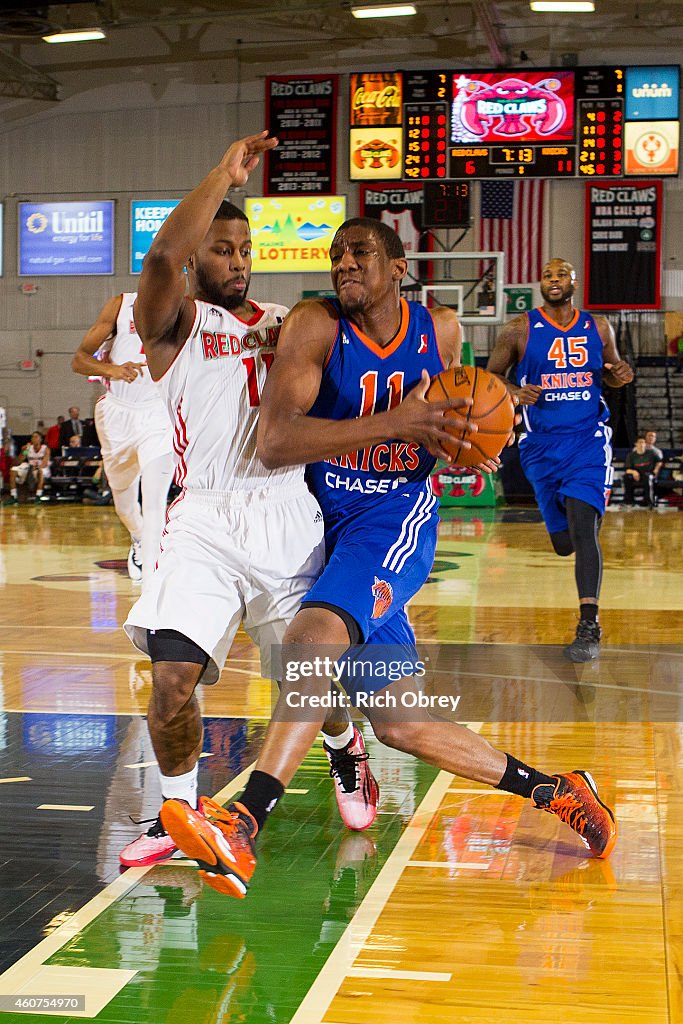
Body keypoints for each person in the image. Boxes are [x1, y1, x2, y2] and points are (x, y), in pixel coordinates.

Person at [159, 219, 618, 901]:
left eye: (361, 253)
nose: (345, 263)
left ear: (398, 266)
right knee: (402, 723)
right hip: (316, 522)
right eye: (337, 254)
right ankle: (558, 789)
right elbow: (277, 439)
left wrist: (469, 439)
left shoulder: (441, 331)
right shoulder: (316, 325)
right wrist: (398, 423)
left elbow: (451, 424)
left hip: (389, 520)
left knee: (308, 644)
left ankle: (243, 821)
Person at [119, 132, 378, 869]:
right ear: (200, 254)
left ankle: (342, 743)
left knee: (306, 682)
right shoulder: (172, 325)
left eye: (244, 249)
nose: (238, 261)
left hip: (285, 510)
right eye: (223, 248)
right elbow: (163, 260)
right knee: (171, 683)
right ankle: (180, 813)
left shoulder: (289, 320)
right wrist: (221, 176)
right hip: (202, 517)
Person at [486, 258, 633, 662]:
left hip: (587, 441)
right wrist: (514, 389)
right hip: (540, 448)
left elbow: (614, 371)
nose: (554, 280)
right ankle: (580, 511)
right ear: (540, 283)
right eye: (548, 275)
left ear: (574, 281)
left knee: (584, 529)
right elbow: (491, 375)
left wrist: (621, 373)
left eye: (561, 274)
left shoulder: (599, 327)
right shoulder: (519, 328)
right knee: (564, 543)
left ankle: (589, 624)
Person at [72, 293, 175, 584]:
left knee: (155, 498)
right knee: (125, 506)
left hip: (157, 413)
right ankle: (139, 538)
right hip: (118, 414)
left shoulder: (184, 306)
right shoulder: (121, 305)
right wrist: (112, 370)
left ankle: (155, 583)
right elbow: (79, 360)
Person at [10, 431, 50, 500]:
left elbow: (45, 463)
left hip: (41, 468)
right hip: (30, 468)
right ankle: (13, 496)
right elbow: (19, 461)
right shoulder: (28, 448)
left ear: (41, 439)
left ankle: (38, 495)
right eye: (32, 437)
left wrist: (37, 467)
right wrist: (23, 451)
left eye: (36, 437)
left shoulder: (45, 448)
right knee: (13, 469)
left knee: (40, 471)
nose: (33, 438)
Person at [623, 436, 659, 508]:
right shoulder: (631, 455)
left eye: (643, 442)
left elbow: (659, 461)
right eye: (640, 442)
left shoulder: (651, 453)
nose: (641, 444)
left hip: (648, 474)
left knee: (648, 477)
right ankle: (628, 501)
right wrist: (634, 472)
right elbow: (627, 469)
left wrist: (656, 471)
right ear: (636, 444)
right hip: (636, 475)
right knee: (626, 477)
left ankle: (649, 502)